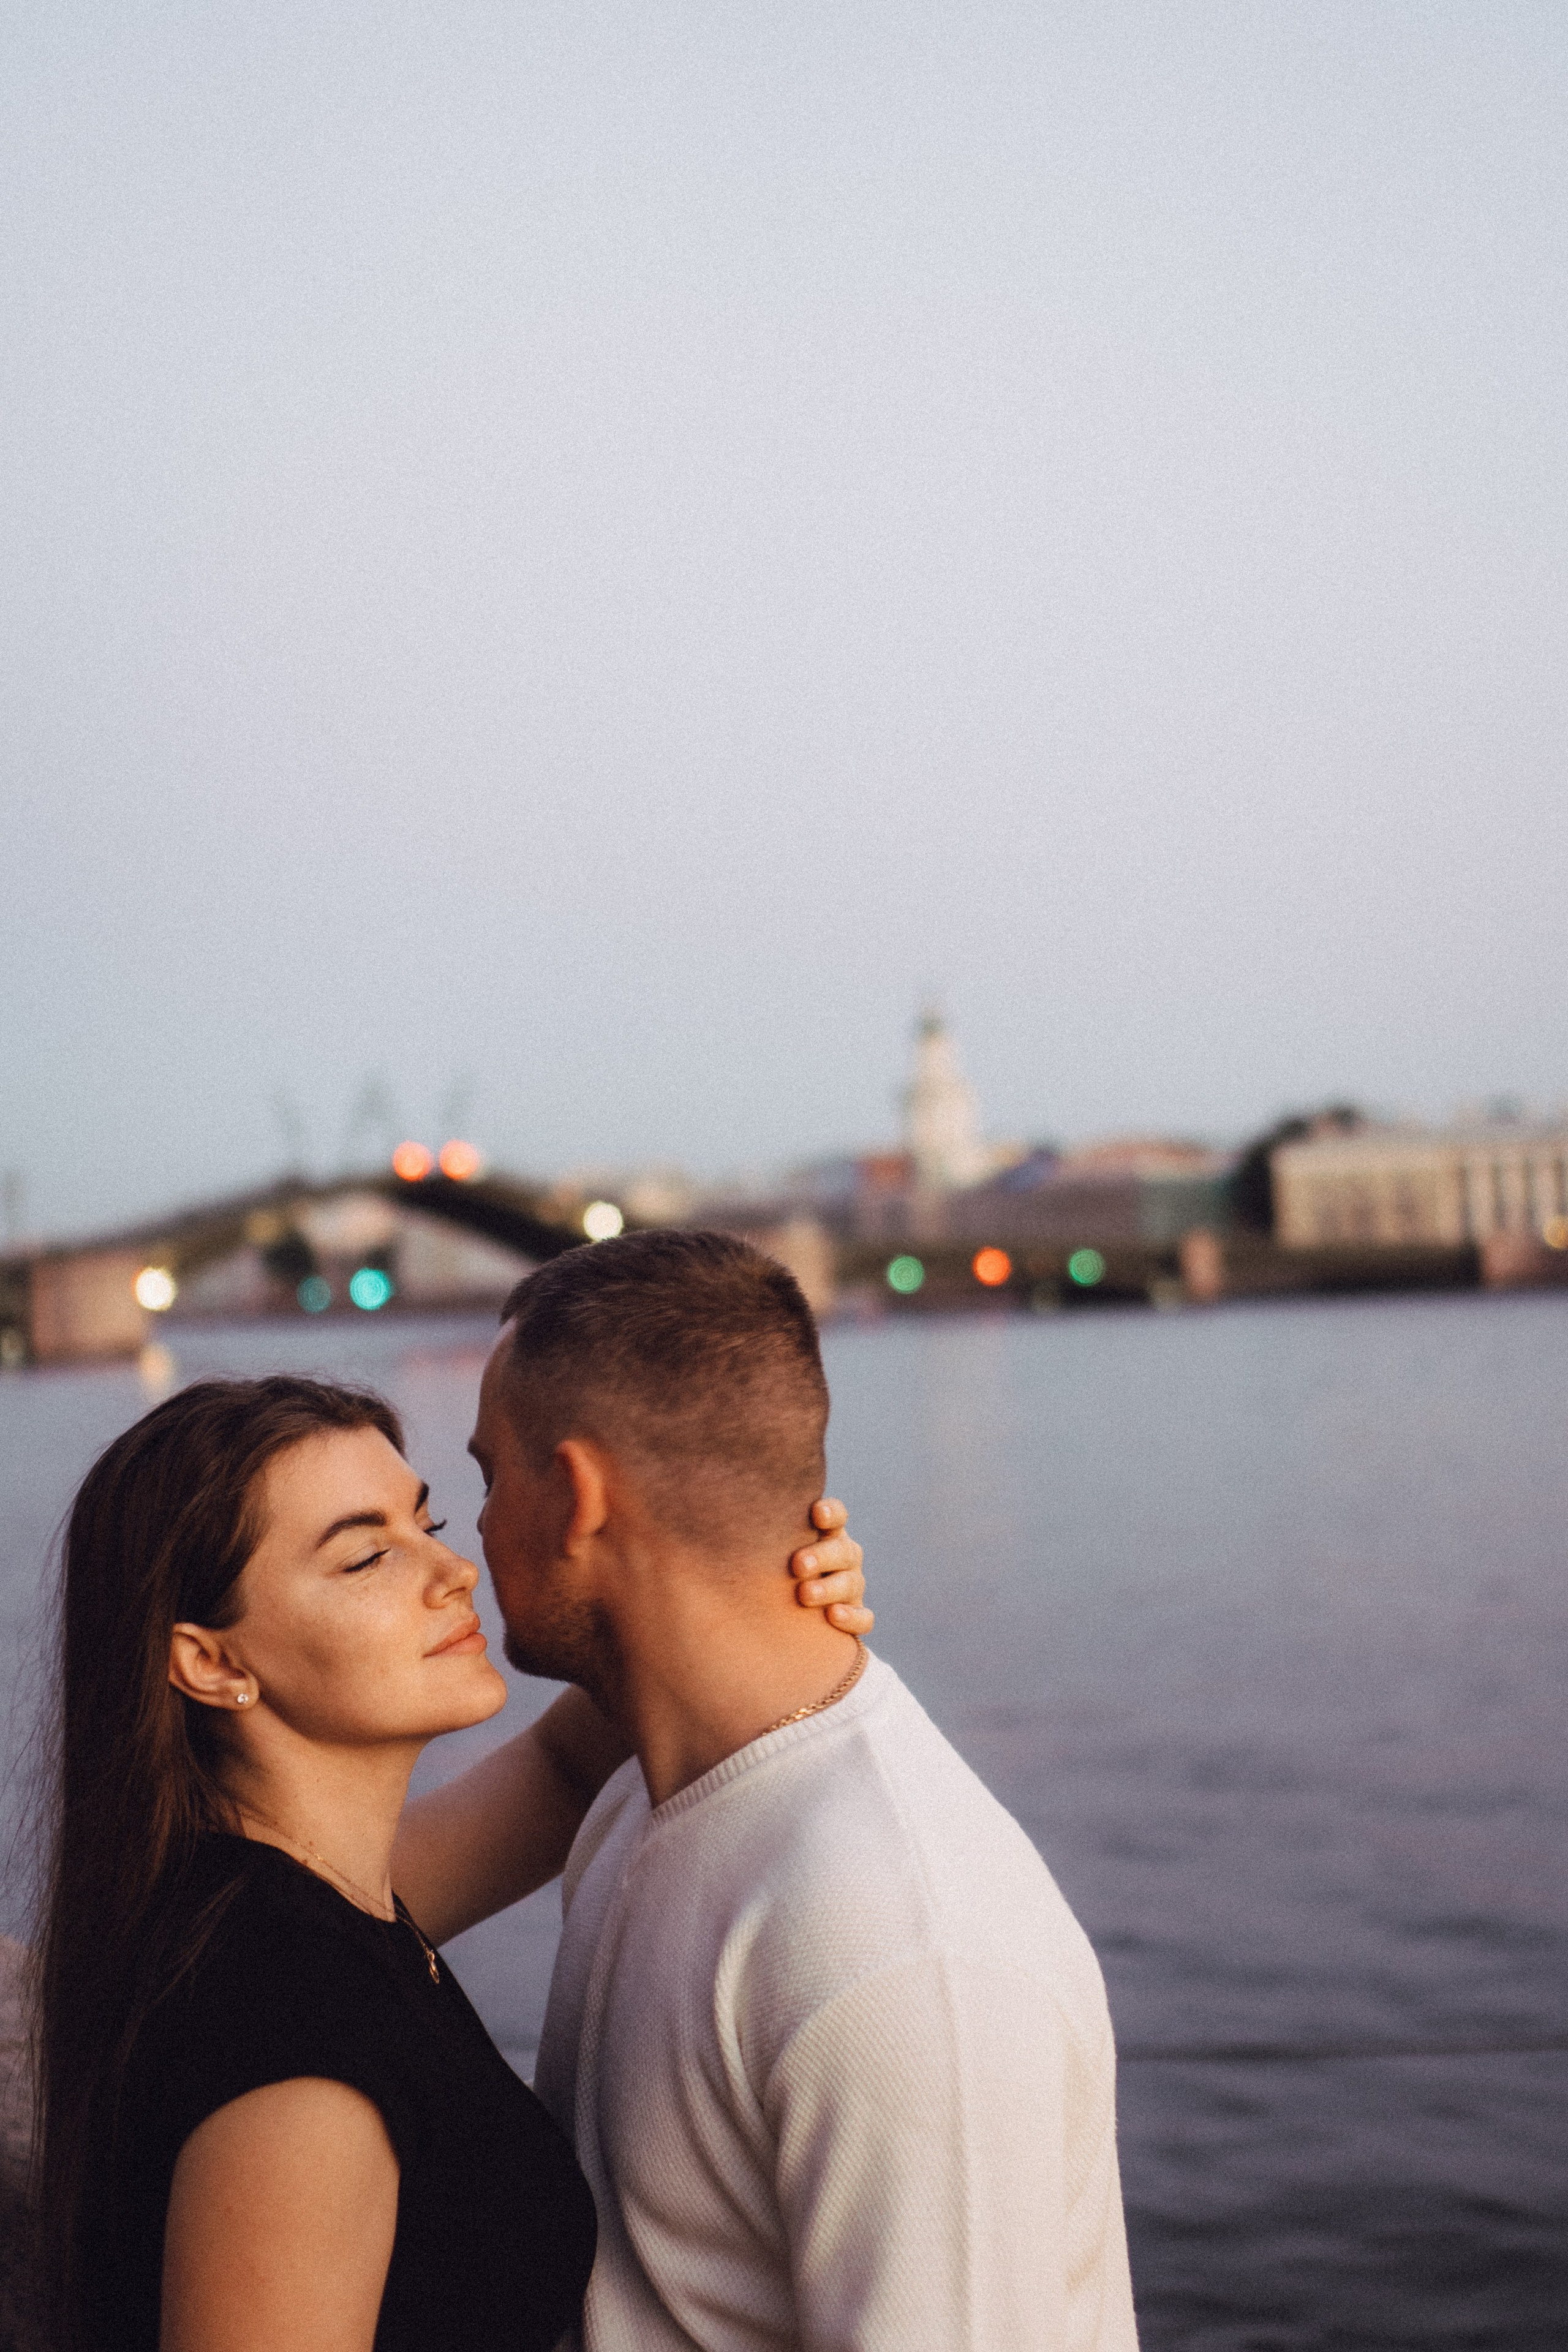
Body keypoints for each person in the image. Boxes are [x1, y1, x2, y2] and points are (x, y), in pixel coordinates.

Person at [37, 1371, 869, 2352]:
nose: (453, 1571)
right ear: (213, 1663)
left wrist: (754, 1588)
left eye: (426, 1523)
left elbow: (564, 1771)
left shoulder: (278, 1900)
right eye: (366, 1558)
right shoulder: (298, 2052)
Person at [460, 1229, 1140, 2352]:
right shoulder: (635, 1799)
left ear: (577, 1495)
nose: (472, 1535)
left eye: (489, 1477)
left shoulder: (901, 1951)